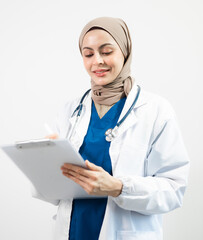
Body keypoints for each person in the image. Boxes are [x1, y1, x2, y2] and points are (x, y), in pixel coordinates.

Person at [34, 17, 190, 240]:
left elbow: (174, 190)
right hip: (74, 230)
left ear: (125, 52)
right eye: (88, 54)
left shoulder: (156, 110)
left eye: (106, 51)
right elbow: (57, 193)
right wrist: (48, 165)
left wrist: (118, 187)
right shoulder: (71, 109)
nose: (97, 61)